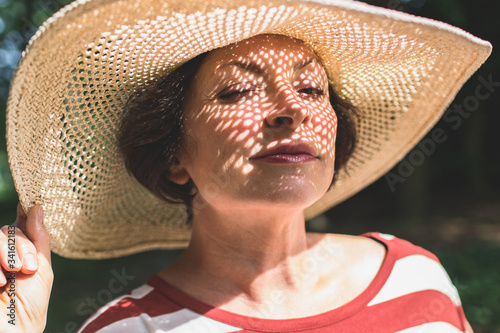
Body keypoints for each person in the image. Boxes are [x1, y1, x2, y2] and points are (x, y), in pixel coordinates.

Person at [1, 0, 491, 332]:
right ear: (174, 157)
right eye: (236, 91)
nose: (292, 109)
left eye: (311, 89)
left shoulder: (415, 276)